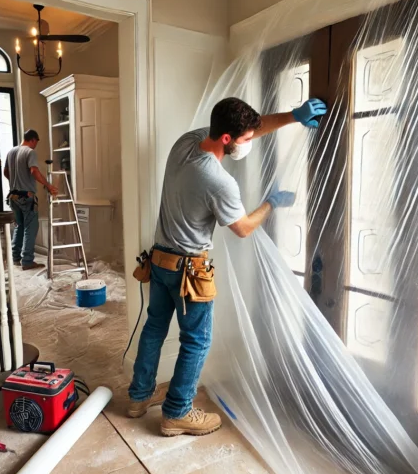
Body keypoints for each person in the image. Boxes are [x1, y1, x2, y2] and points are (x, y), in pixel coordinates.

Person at [127, 96, 327, 436]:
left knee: (154, 328)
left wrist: (294, 116)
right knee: (196, 341)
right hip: (189, 273)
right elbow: (244, 229)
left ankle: (138, 397)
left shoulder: (186, 143)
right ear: (226, 139)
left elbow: (253, 126)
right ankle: (177, 412)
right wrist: (271, 203)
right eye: (246, 139)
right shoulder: (218, 182)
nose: (250, 142)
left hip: (160, 261)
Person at [4, 129, 59, 270]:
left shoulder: (11, 152)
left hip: (13, 196)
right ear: (33, 139)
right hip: (26, 197)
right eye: (36, 142)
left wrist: (16, 182)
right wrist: (48, 185)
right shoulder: (30, 152)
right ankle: (27, 261)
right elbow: (34, 171)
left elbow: (5, 172)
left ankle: (16, 257)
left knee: (19, 226)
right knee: (31, 227)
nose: (36, 146)